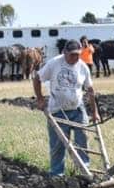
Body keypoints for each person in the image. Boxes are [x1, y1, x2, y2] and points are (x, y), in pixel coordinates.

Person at [33, 39, 100, 177]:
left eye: (78, 54)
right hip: (58, 110)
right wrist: (40, 99)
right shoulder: (54, 63)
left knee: (82, 140)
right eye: (72, 55)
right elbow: (37, 78)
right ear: (64, 52)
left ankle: (84, 171)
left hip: (77, 109)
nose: (75, 58)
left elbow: (90, 89)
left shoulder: (82, 66)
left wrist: (95, 112)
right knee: (58, 146)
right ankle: (57, 175)